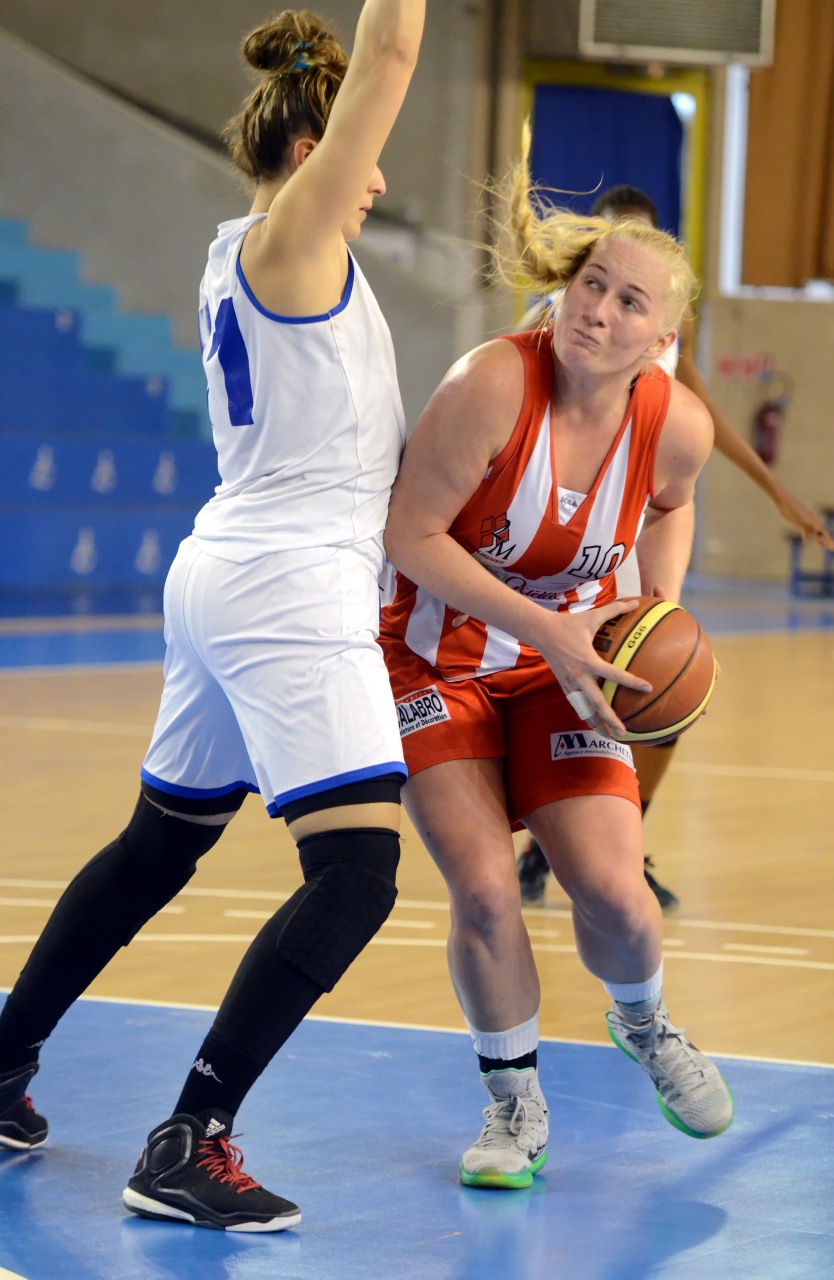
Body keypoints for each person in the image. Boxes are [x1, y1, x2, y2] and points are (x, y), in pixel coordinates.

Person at [0, 1, 424, 1231]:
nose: (378, 178)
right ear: (315, 150)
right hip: (285, 586)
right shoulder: (295, 239)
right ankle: (192, 1133)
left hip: (234, 569)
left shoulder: (248, 248)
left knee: (157, 846)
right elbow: (392, 51)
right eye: (363, 154)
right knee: (357, 871)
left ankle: (4, 1057)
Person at [380, 126, 733, 1190]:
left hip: (563, 663)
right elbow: (411, 536)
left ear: (662, 334)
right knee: (488, 889)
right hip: (433, 661)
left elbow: (671, 505)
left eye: (630, 302)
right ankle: (513, 1106)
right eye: (590, 284)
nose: (598, 310)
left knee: (617, 895)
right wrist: (552, 628)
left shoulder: (677, 425)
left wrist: (656, 608)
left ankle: (647, 1022)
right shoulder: (492, 382)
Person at [515, 182, 834, 910]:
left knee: (664, 691)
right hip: (565, 523)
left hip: (640, 519)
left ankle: (621, 842)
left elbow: (703, 411)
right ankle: (550, 837)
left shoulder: (662, 328)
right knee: (566, 689)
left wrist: (774, 491)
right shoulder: (562, 320)